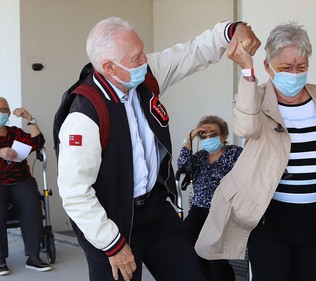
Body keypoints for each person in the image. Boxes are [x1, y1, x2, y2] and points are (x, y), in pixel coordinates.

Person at [56, 17, 260, 281]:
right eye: (136, 58)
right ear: (109, 67)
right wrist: (113, 245)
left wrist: (230, 31)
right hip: (110, 221)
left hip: (154, 209)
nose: (145, 61)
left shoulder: (141, 76)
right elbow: (75, 193)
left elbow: (190, 53)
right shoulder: (83, 116)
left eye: (142, 51)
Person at [195, 23, 316, 281]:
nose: (294, 74)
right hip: (269, 222)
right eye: (286, 67)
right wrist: (247, 72)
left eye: (301, 67)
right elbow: (245, 127)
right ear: (267, 66)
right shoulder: (255, 99)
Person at [177, 115, 243, 281]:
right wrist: (189, 138)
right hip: (199, 209)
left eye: (212, 133)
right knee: (187, 243)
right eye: (203, 135)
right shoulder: (199, 157)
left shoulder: (234, 153)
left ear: (223, 136)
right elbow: (183, 165)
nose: (207, 138)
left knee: (213, 253)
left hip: (223, 209)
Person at [0, 97, 52, 276]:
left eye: (5, 110)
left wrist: (30, 118)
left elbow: (38, 143)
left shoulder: (15, 133)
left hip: (20, 179)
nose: (2, 113)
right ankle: (0, 259)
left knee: (32, 206)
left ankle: (33, 256)